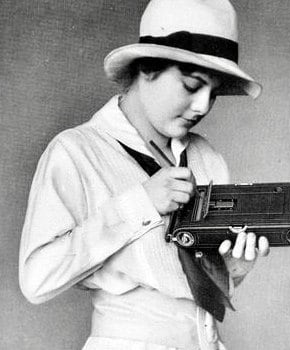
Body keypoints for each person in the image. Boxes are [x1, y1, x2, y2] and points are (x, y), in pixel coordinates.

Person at [19, 0, 270, 349]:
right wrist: (140, 205)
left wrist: (233, 266)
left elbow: (192, 285)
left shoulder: (206, 158)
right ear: (148, 67)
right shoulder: (77, 151)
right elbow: (37, 279)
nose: (202, 107)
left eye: (213, 94)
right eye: (192, 85)